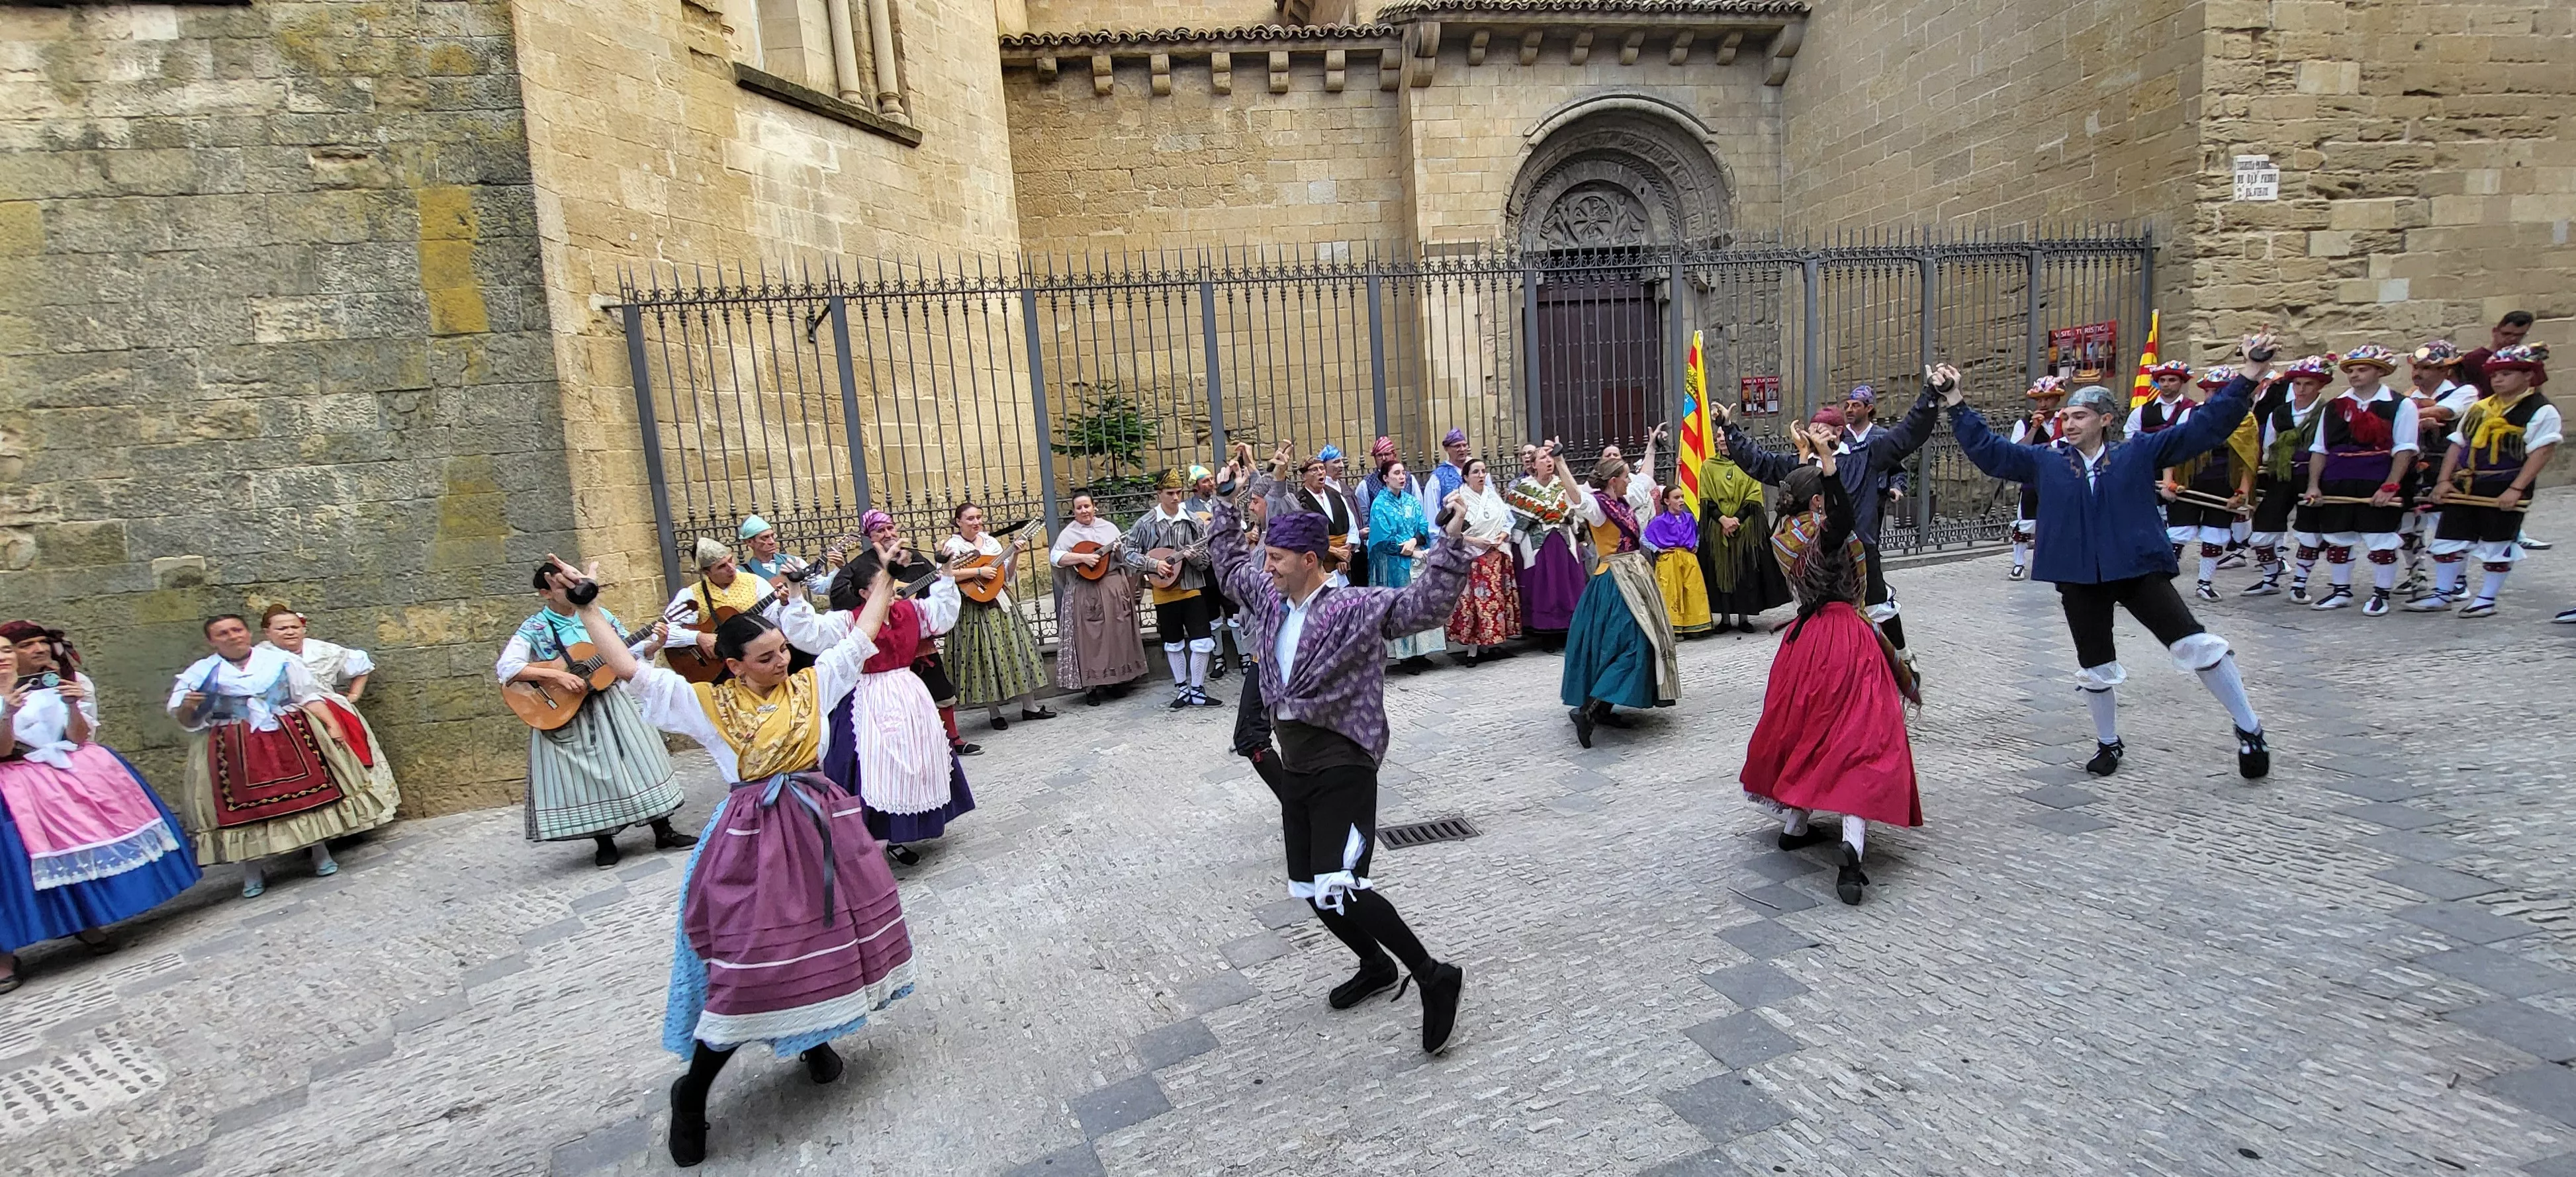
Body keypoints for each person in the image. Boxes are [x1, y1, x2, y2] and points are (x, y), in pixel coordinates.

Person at [545, 556, 912, 1168]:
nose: (782, 662)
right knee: (750, 966)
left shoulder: (814, 683)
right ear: (733, 665)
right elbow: (631, 668)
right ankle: (692, 1093)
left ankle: (812, 1034)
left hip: (822, 831)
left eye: (782, 651)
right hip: (753, 844)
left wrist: (886, 577)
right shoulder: (705, 704)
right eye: (766, 657)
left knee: (825, 939)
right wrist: (587, 608)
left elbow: (861, 634)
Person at [1209, 452, 1475, 1056]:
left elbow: (1425, 608)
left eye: (1276, 559)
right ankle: (1375, 966)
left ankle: (1435, 975)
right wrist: (1228, 497)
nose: (1265, 566)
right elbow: (1227, 565)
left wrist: (1451, 542)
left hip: (1346, 762)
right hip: (1297, 766)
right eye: (1266, 557)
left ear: (1310, 560)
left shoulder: (1354, 606)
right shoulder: (1270, 597)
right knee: (1310, 887)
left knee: (1342, 883)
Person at [1945, 339, 2277, 781]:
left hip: (2137, 569)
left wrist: (2250, 374)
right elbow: (1990, 452)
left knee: (2194, 644)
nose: (2068, 421)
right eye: (2066, 416)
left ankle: (2249, 728)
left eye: (2079, 415)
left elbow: (2207, 428)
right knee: (2095, 665)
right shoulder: (2047, 461)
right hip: (2080, 576)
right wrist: (1955, 401)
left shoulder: (2137, 452)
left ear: (2105, 420)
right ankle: (2108, 741)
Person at [1739, 427, 1921, 906]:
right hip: (1845, 638)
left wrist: (1809, 461)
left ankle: (1796, 823)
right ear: (1816, 499)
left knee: (1808, 731)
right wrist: (1831, 469)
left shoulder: (1784, 535)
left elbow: (1815, 506)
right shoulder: (1824, 536)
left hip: (1805, 643)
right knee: (1859, 739)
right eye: (1820, 495)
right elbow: (1841, 520)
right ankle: (1852, 848)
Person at [0, 634, 201, 992]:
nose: (3, 657)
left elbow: (77, 738)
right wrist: (7, 712)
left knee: (74, 847)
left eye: (4, 650)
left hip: (55, 773)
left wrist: (73, 705)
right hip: (11, 783)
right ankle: (5, 952)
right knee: (14, 867)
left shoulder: (45, 685)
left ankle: (85, 921)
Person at [167, 615, 398, 896]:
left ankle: (319, 851)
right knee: (245, 805)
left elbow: (307, 696)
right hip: (231, 744)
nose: (232, 636)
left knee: (308, 791)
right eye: (222, 633)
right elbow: (189, 721)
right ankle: (252, 869)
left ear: (248, 633)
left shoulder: (280, 661)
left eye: (237, 630)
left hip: (286, 733)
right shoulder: (200, 673)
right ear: (212, 640)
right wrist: (189, 707)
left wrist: (332, 724)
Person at [1719, 382, 1941, 665]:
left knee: (1879, 607)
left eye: (1822, 429)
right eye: (1813, 429)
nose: (1815, 435)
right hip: (1819, 561)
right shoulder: (1801, 465)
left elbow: (1907, 437)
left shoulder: (1865, 457)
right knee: (1827, 625)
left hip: (1859, 551)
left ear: (1838, 432)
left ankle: (1902, 658)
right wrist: (1729, 429)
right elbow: (1760, 463)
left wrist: (1930, 397)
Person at [496, 562, 696, 867]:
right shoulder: (534, 628)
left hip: (612, 700)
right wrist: (559, 677)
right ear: (545, 593)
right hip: (568, 711)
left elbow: (628, 652)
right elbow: (508, 668)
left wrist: (655, 643)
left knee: (641, 759)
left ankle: (663, 830)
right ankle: (604, 842)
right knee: (588, 775)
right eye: (563, 588)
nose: (572, 591)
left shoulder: (600, 616)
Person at [809, 546, 975, 864]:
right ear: (863, 593)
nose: (895, 591)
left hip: (908, 692)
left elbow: (943, 614)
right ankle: (868, 836)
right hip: (867, 696)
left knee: (919, 757)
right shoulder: (848, 622)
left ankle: (903, 832)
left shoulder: (910, 613)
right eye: (885, 584)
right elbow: (811, 633)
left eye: (895, 584)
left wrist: (947, 572)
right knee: (873, 764)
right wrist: (792, 597)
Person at [1561, 429, 1680, 748]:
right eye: (1624, 475)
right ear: (1613, 481)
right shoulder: (1600, 509)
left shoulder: (1626, 499)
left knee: (1626, 642)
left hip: (1635, 575)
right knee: (1631, 642)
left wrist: (1652, 445)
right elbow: (1576, 497)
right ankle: (1591, 709)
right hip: (1614, 581)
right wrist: (1560, 461)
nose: (1630, 480)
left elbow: (1646, 477)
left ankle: (1604, 706)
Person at [2418, 343, 2557, 617]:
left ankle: (2486, 599)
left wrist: (2517, 489)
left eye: (2506, 374)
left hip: (2504, 484)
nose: (2498, 379)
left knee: (2497, 543)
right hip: (2465, 483)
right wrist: (2444, 481)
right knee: (2449, 539)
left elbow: (2542, 452)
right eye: (2494, 375)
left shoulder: (2541, 410)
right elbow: (2458, 445)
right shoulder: (2480, 408)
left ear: (2529, 376)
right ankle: (2443, 593)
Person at [2301, 344, 2419, 616]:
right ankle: (2341, 590)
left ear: (2380, 372)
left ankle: (2381, 594)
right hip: (2338, 480)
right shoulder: (2334, 407)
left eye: (2362, 369)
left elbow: (2405, 449)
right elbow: (2320, 449)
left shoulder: (2401, 405)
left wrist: (2391, 485)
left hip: (2376, 479)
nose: (2354, 375)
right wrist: (2314, 485)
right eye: (2351, 370)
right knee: (2338, 538)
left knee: (2380, 539)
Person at [256, 605, 399, 810]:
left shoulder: (321, 650)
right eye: (281, 629)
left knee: (343, 763)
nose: (289, 632)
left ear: (303, 629)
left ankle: (361, 812)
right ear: (267, 632)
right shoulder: (259, 656)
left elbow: (362, 663)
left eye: (294, 627)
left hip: (330, 712)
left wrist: (353, 696)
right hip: (284, 718)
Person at [862, 510, 978, 756]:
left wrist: (943, 575)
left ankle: (953, 739)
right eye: (880, 531)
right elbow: (849, 597)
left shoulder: (915, 558)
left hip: (918, 637)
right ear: (869, 536)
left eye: (890, 528)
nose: (888, 534)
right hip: (885, 642)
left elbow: (934, 588)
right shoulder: (861, 565)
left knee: (941, 689)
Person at [940, 502, 1058, 730]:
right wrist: (978, 571)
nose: (976, 522)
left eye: (979, 517)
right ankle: (994, 712)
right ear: (959, 522)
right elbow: (944, 574)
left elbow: (1006, 576)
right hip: (971, 607)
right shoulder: (952, 546)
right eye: (970, 519)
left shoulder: (992, 542)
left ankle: (1030, 706)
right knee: (982, 657)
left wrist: (1014, 555)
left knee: (1016, 650)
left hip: (1000, 602)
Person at [1123, 470, 1225, 708]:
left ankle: (1198, 689)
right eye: (1170, 493)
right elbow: (1128, 554)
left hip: (1192, 588)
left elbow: (1206, 560)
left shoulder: (1193, 521)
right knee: (1173, 642)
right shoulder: (1146, 523)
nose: (1176, 498)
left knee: (1201, 640)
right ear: (1159, 494)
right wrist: (1153, 564)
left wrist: (1192, 558)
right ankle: (1182, 689)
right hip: (1164, 591)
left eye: (1179, 492)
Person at [2163, 365, 2264, 601]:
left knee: (2215, 535)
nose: (2212, 396)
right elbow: (2171, 447)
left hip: (2224, 484)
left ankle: (2205, 584)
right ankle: (2159, 583)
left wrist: (2242, 492)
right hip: (2188, 482)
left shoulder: (2246, 420)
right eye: (2209, 391)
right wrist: (2169, 482)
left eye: (2218, 391)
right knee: (2177, 535)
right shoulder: (2190, 413)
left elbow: (2249, 459)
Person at [2242, 355, 2336, 599]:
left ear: (2320, 387)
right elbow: (2269, 447)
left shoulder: (2328, 412)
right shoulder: (2279, 414)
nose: (2302, 390)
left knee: (2308, 532)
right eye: (2297, 384)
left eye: (2308, 384)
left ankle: (2300, 584)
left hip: (2312, 478)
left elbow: (2328, 447)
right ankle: (2270, 577)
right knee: (2261, 533)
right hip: (2281, 476)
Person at [2396, 340, 2483, 596]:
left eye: (2427, 368)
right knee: (2407, 523)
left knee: (2448, 523)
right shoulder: (2411, 396)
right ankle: (2416, 575)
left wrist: (2408, 414)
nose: (2418, 373)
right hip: (2413, 468)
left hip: (2448, 466)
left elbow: (2445, 412)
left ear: (2447, 371)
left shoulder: (2465, 392)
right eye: (2417, 367)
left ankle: (2458, 580)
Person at [1048, 493, 1151, 704]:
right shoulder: (1069, 534)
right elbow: (1056, 558)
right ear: (1074, 511)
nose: (1084, 511)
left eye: (1087, 506)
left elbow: (1125, 559)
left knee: (1116, 635)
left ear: (1095, 507)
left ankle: (1115, 682)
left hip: (1112, 587)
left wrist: (1120, 551)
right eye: (1079, 508)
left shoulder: (1109, 529)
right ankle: (1091, 687)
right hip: (1087, 591)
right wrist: (1083, 558)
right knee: (1090, 640)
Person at [1697, 428, 1793, 631]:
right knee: (1720, 571)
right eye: (1719, 437)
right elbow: (1706, 497)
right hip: (1718, 526)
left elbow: (1753, 496)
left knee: (1744, 572)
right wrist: (1723, 520)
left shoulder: (1748, 465)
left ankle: (1743, 617)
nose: (1722, 440)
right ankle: (1724, 618)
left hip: (1745, 526)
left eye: (1725, 436)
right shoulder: (1708, 466)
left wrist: (1736, 520)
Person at [1365, 458, 1446, 671]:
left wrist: (1415, 540)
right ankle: (1406, 656)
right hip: (1394, 565)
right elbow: (1381, 539)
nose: (1402, 477)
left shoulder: (1411, 501)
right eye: (1397, 473)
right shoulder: (1379, 505)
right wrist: (1405, 549)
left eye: (1404, 473)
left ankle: (1422, 652)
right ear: (1385, 478)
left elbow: (1423, 525)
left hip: (1417, 561)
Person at [1504, 441, 1586, 648]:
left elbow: (1575, 506)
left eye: (1551, 457)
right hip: (1538, 544)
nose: (1549, 461)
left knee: (1567, 583)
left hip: (1564, 540)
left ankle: (1569, 627)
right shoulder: (1522, 489)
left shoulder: (1563, 484)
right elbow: (1516, 520)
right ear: (1534, 464)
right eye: (1543, 458)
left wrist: (1559, 514)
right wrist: (1541, 515)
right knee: (1544, 584)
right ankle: (1546, 630)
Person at [1442, 457, 1522, 663]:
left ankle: (1489, 645)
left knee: (1494, 604)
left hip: (1495, 555)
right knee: (1475, 605)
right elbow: (1451, 532)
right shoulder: (1459, 499)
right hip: (1473, 558)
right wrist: (1476, 540)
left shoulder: (1492, 496)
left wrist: (1502, 536)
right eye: (1475, 472)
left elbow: (1507, 520)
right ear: (1466, 477)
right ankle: (1472, 649)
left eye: (1483, 471)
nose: (1480, 475)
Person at [1183, 463, 1246, 680]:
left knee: (1235, 612)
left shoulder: (1222, 500)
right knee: (1212, 616)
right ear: (1195, 486)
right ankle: (1219, 659)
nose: (1210, 483)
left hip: (1226, 563)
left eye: (1212, 479)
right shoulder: (1187, 508)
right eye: (1205, 481)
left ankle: (1244, 655)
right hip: (1205, 568)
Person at [2007, 377, 2070, 580]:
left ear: (2056, 399)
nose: (2044, 404)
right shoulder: (2024, 423)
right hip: (2033, 479)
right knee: (2025, 519)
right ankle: (2018, 563)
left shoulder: (2067, 420)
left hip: (2061, 478)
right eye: (2040, 400)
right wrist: (2034, 428)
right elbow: (2017, 451)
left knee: (2061, 520)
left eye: (2048, 399)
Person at [1643, 484, 1716, 636]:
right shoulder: (1659, 521)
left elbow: (1698, 533)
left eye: (1682, 497)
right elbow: (1644, 538)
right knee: (1671, 593)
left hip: (1688, 558)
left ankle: (1695, 625)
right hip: (1669, 560)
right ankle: (1673, 627)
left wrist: (1695, 544)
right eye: (1677, 498)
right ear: (1667, 501)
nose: (1681, 501)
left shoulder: (1689, 518)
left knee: (1692, 590)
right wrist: (1659, 549)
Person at [1286, 453, 1365, 589]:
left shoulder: (1336, 495)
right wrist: (1334, 555)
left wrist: (1344, 555)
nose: (1320, 472)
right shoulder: (1299, 502)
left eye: (1322, 468)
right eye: (1314, 470)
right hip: (1319, 567)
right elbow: (1305, 538)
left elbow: (1352, 527)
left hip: (1344, 566)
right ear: (1304, 476)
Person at [737, 515, 808, 584]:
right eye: (765, 537)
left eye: (772, 536)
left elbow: (818, 586)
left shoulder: (793, 562)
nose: (772, 542)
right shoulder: (742, 573)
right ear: (750, 542)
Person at [1430, 428, 1471, 504]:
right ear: (1447, 449)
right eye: (1457, 446)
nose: (1462, 449)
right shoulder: (1438, 476)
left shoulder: (1478, 469)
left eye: (1464, 445)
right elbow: (1432, 509)